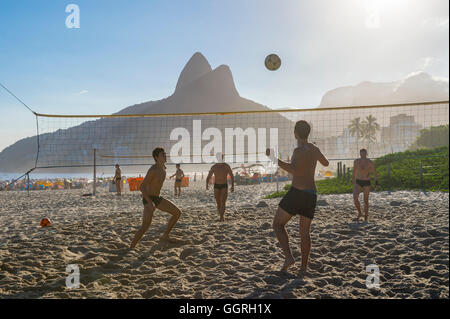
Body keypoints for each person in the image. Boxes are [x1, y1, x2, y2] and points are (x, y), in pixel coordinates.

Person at [267, 120, 329, 273]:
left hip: (297, 193)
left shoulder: (298, 151)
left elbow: (292, 170)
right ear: (308, 133)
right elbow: (326, 163)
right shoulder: (314, 149)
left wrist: (274, 159)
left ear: (296, 133)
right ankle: (303, 268)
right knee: (304, 232)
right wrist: (315, 153)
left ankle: (289, 257)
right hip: (311, 194)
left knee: (277, 225)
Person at [130, 148, 182, 248]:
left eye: (165, 154)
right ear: (156, 157)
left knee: (177, 213)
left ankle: (165, 235)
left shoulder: (163, 168)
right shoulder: (153, 169)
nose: (165, 156)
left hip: (157, 198)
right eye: (163, 155)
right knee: (145, 226)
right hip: (149, 198)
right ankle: (131, 247)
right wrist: (149, 202)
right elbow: (142, 187)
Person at [206, 153, 234, 222]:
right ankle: (220, 214)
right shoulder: (214, 167)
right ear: (217, 158)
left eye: (221, 157)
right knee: (218, 202)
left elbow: (231, 175)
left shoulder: (226, 166)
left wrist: (232, 186)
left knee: (223, 201)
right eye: (219, 157)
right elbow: (209, 175)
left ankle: (221, 217)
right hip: (216, 186)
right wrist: (206, 184)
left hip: (224, 185)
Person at [352, 148, 378, 222]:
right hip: (358, 181)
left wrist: (376, 184)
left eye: (364, 153)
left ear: (366, 154)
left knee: (365, 200)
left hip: (366, 182)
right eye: (361, 153)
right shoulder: (356, 161)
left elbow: (375, 174)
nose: (362, 155)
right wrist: (354, 182)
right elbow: (354, 173)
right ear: (360, 154)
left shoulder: (370, 162)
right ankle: (360, 213)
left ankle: (366, 217)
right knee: (355, 197)